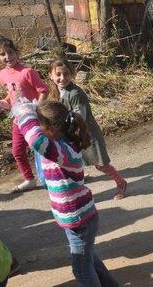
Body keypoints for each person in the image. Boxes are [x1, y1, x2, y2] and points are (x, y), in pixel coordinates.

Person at [14, 100, 119, 287]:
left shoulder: (62, 151)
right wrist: (25, 112)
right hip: (79, 215)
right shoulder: (59, 144)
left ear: (50, 128)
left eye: (40, 124)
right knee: (87, 256)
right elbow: (36, 139)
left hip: (79, 219)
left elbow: (35, 139)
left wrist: (23, 113)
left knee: (81, 268)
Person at [48, 58, 127, 200]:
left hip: (87, 135)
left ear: (72, 74)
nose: (62, 78)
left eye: (66, 74)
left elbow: (80, 117)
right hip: (72, 135)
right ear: (51, 76)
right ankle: (77, 194)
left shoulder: (75, 93)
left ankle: (121, 183)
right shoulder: (57, 92)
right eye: (58, 74)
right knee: (72, 165)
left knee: (101, 165)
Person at [0, 37, 49, 194]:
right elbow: (12, 95)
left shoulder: (27, 72)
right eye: (2, 54)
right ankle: (30, 179)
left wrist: (37, 108)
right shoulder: (2, 74)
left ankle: (60, 173)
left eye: (10, 52)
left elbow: (44, 90)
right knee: (17, 151)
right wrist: (4, 103)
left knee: (42, 148)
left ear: (17, 52)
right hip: (18, 118)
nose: (7, 57)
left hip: (34, 118)